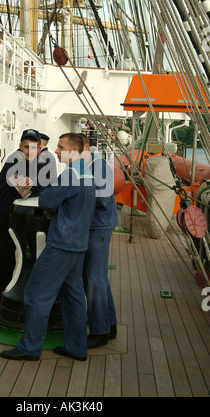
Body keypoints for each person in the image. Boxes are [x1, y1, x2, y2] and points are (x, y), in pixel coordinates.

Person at [0, 133, 96, 361]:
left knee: (36, 293)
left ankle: (30, 347)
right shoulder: (88, 174)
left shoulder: (71, 174)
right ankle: (76, 347)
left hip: (62, 243)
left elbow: (46, 201)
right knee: (73, 295)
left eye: (61, 147)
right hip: (79, 242)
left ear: (73, 150)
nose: (56, 151)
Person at [0, 129, 47, 315]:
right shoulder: (14, 163)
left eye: (33, 147)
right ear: (20, 147)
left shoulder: (34, 166)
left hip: (13, 216)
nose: (29, 150)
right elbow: (27, 191)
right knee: (6, 262)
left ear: (39, 148)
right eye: (25, 146)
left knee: (7, 260)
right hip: (2, 216)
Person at [79, 133, 119, 348]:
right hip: (94, 227)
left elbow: (102, 198)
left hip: (99, 228)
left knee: (94, 280)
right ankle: (109, 324)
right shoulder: (88, 164)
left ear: (85, 146)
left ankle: (99, 332)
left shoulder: (98, 165)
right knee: (97, 279)